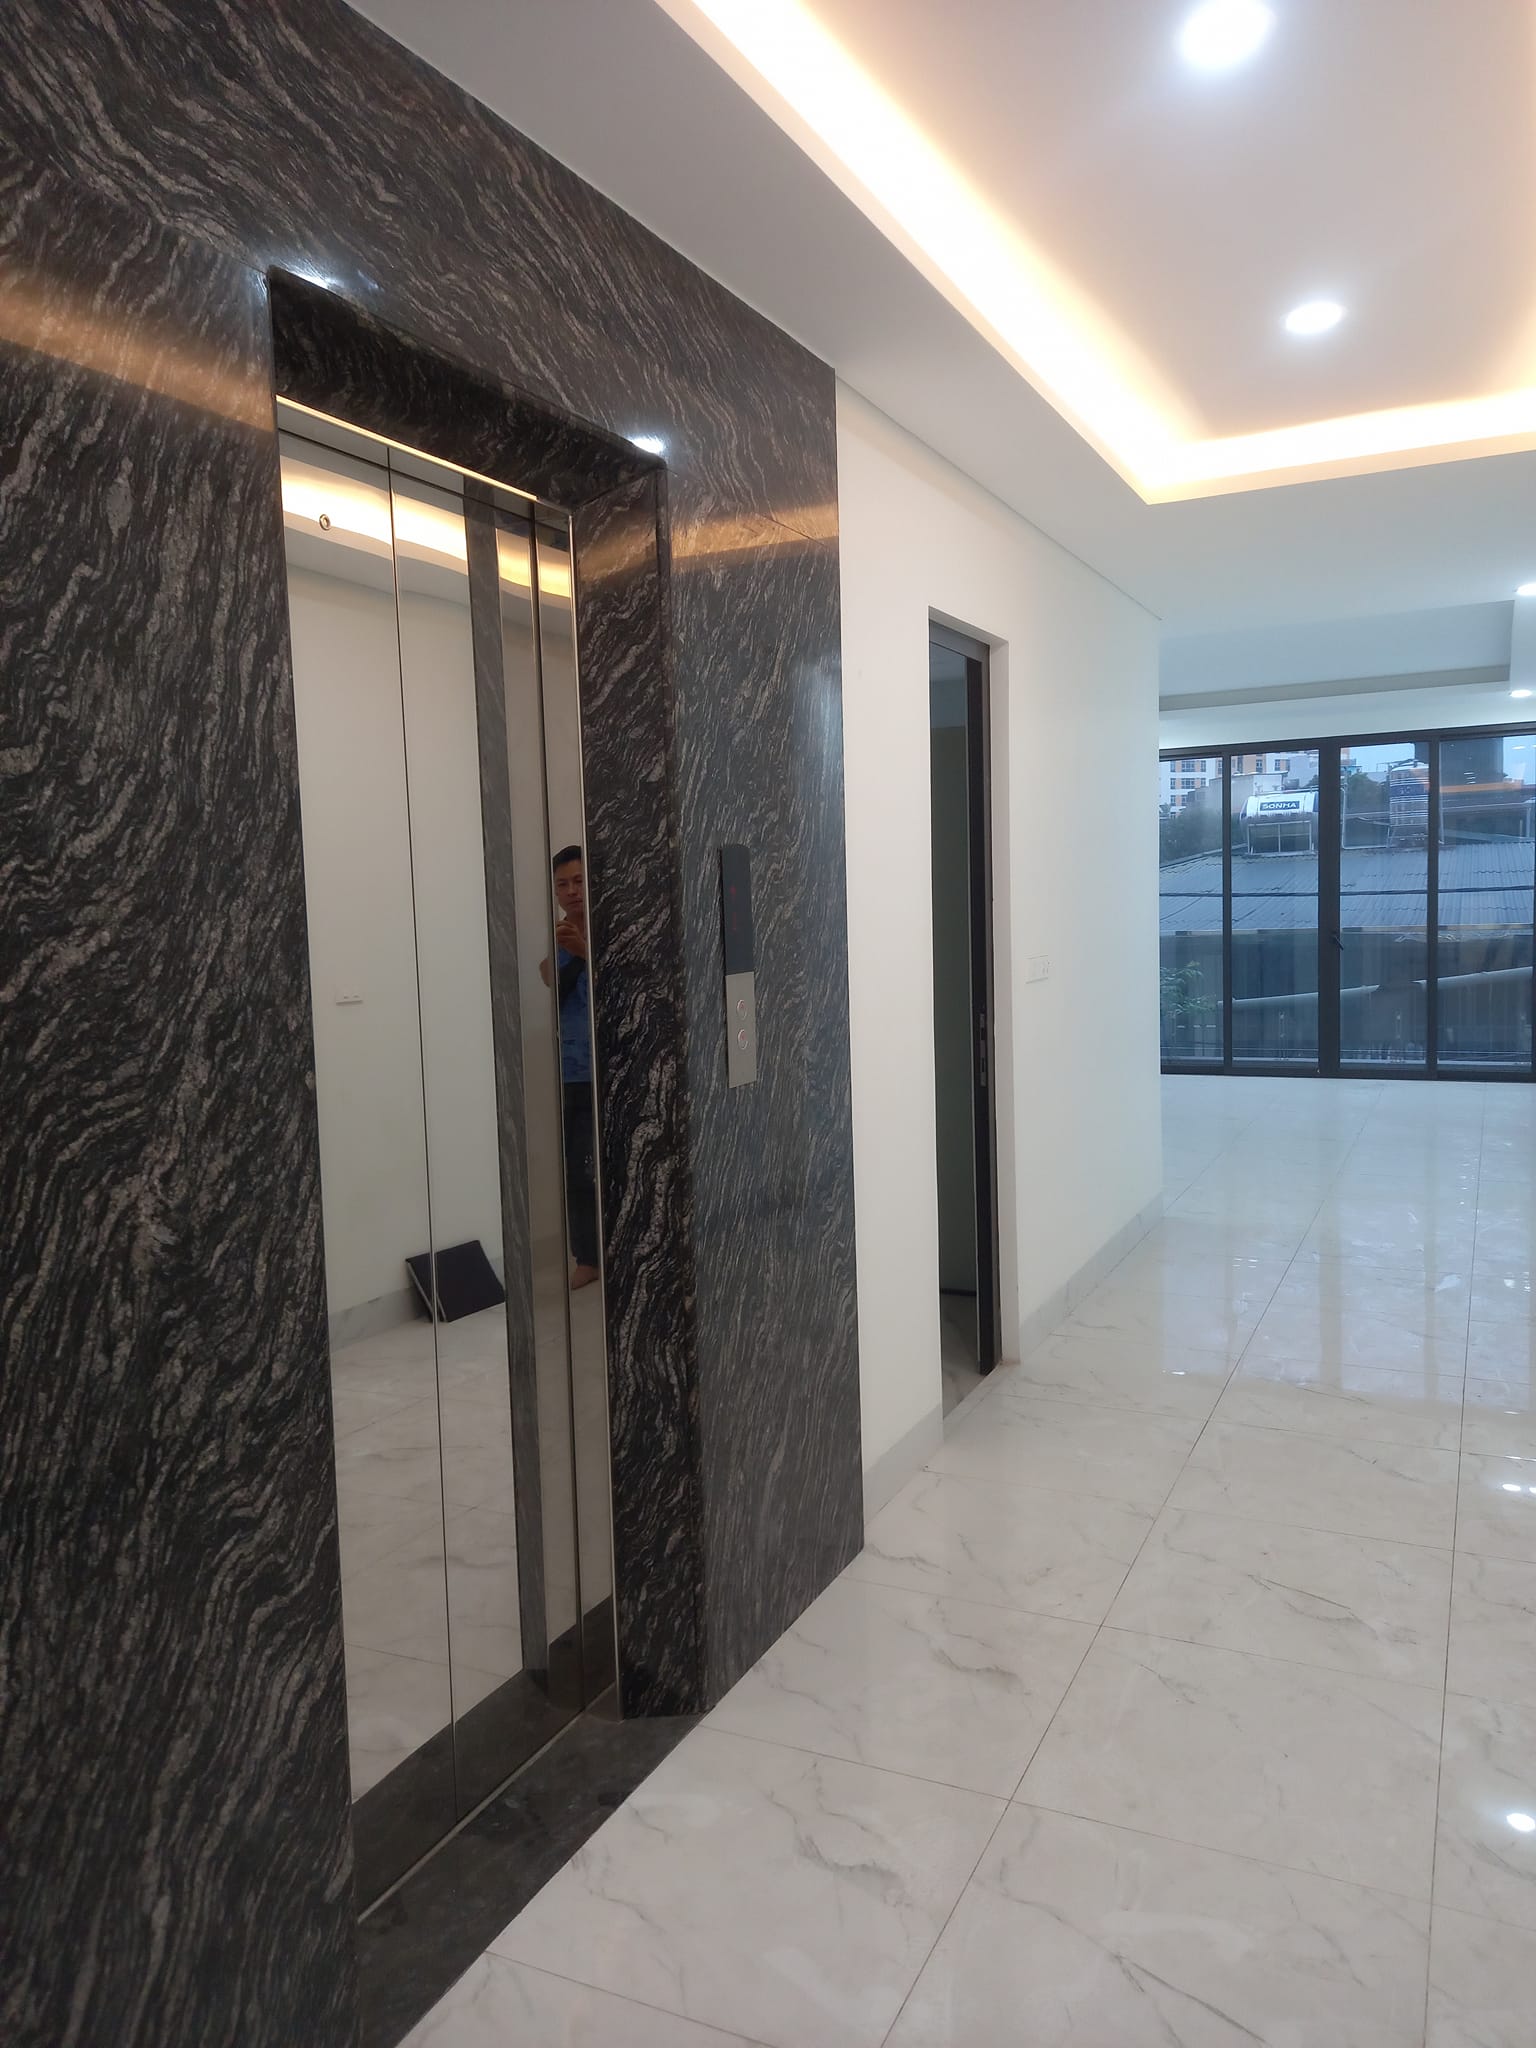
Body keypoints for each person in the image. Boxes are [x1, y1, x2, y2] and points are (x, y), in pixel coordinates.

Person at [540, 845, 601, 1290]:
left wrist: (588, 951)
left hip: (611, 1068)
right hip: (570, 1073)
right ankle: (587, 1257)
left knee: (610, 1166)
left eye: (578, 881)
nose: (572, 891)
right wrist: (568, 949)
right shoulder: (559, 938)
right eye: (563, 884)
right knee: (577, 1171)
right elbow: (548, 979)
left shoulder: (611, 930)